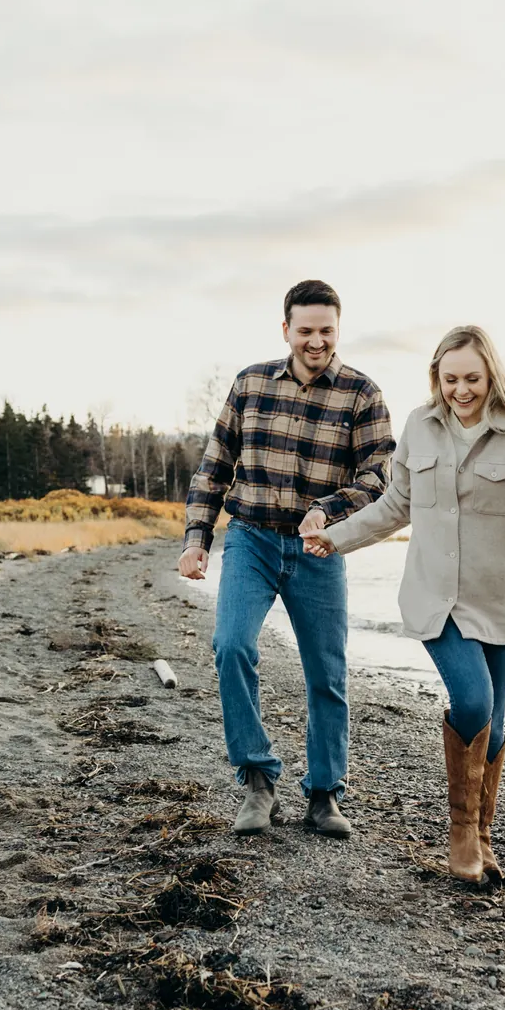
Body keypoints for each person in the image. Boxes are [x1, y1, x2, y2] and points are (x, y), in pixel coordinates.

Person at [303, 324, 505, 883]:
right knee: (473, 701)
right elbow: (396, 504)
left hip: (502, 599)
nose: (462, 390)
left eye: (473, 379)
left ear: (492, 376)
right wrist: (336, 537)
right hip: (435, 596)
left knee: (497, 721)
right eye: (451, 378)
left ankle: (484, 841)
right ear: (436, 376)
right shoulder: (420, 425)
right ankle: (460, 831)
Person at [178, 280, 395, 839]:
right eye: (306, 331)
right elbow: (214, 466)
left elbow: (378, 477)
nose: (316, 341)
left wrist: (327, 509)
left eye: (327, 330)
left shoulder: (362, 395)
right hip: (250, 538)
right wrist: (196, 539)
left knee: (327, 672)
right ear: (286, 330)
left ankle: (324, 795)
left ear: (338, 329)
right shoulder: (250, 384)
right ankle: (257, 780)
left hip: (319, 549)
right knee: (231, 646)